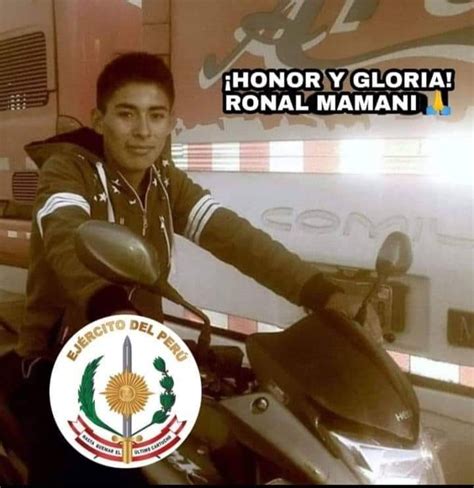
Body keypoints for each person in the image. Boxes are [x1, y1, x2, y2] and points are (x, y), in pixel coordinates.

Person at [4, 52, 380, 483]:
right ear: (99, 119)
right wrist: (107, 302)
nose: (143, 131)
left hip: (139, 352)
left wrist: (320, 291)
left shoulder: (165, 182)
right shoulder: (68, 170)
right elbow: (65, 233)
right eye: (126, 114)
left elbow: (236, 238)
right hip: (65, 354)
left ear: (170, 123)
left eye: (156, 115)